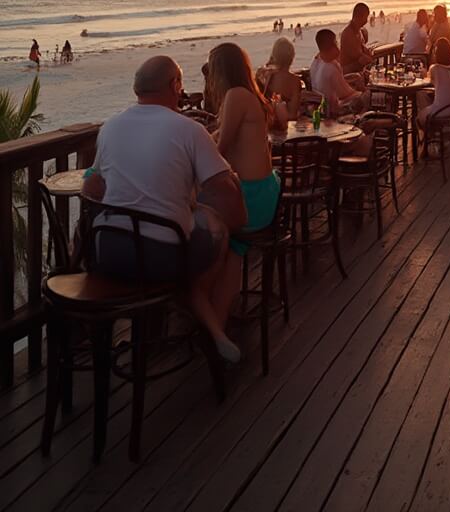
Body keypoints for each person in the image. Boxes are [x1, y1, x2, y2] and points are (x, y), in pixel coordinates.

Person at [81, 55, 247, 362]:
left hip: (107, 252)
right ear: (174, 85)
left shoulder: (111, 127)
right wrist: (232, 217)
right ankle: (198, 312)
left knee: (185, 228)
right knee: (217, 231)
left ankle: (163, 328)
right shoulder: (189, 130)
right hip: (160, 259)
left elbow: (93, 185)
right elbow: (223, 187)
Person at [206, 43, 281, 335]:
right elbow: (221, 137)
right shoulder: (249, 94)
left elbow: (219, 149)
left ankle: (208, 318)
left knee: (192, 225)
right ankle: (215, 316)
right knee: (226, 250)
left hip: (251, 197)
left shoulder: (236, 96)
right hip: (262, 191)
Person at [309, 29, 368, 116]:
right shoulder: (331, 67)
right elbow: (346, 94)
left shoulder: (316, 61)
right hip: (334, 111)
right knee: (368, 96)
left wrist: (354, 78)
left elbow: (332, 84)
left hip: (321, 107)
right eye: (336, 43)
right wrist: (364, 91)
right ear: (332, 45)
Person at [417, 38, 450, 128]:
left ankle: (431, 136)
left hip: (441, 111)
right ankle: (438, 133)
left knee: (419, 118)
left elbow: (428, 83)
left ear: (436, 54)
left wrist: (424, 74)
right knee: (425, 97)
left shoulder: (435, 69)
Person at [260, 36, 303, 121]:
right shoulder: (294, 81)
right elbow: (292, 114)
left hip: (269, 122)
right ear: (292, 56)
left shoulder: (268, 75)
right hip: (284, 125)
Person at [340, 3, 375, 77]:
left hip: (358, 71)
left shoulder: (358, 30)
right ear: (358, 16)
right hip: (348, 73)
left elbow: (363, 50)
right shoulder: (348, 34)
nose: (366, 21)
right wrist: (370, 59)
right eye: (365, 17)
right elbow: (359, 57)